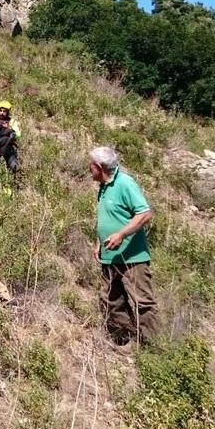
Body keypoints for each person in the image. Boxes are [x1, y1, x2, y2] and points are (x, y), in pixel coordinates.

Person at [89, 146, 156, 346]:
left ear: (99, 167)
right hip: (110, 256)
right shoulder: (104, 186)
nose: (88, 169)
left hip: (133, 257)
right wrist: (98, 243)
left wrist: (121, 235)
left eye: (90, 166)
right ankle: (125, 340)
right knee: (112, 299)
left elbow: (145, 214)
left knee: (142, 302)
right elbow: (107, 217)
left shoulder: (125, 183)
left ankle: (152, 347)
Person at [0, 100, 21, 185]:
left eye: (4, 111)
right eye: (0, 111)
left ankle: (15, 184)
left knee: (14, 166)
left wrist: (12, 132)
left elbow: (18, 134)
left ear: (8, 112)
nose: (2, 113)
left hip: (9, 149)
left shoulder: (12, 122)